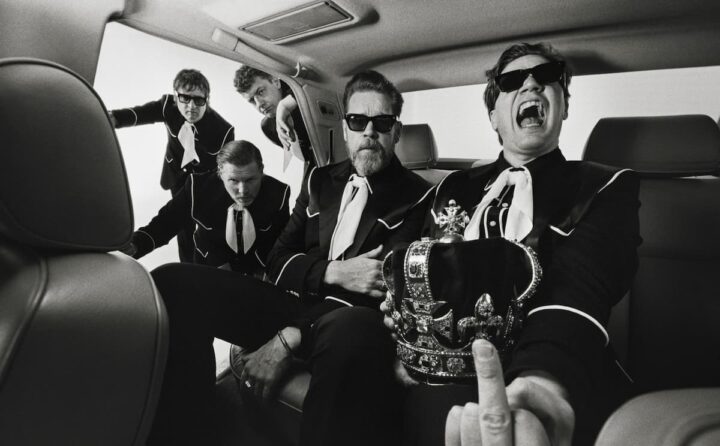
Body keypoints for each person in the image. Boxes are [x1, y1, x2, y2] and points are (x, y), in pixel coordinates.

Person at [146, 70, 432, 446]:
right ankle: (189, 431)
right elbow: (278, 258)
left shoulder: (421, 198)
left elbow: (377, 290)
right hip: (291, 304)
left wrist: (289, 337)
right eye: (357, 121)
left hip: (347, 324)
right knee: (172, 281)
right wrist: (332, 272)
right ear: (345, 129)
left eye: (381, 122)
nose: (369, 132)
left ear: (396, 131)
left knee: (349, 327)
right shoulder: (319, 181)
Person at [382, 42, 641, 446]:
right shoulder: (452, 187)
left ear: (564, 105)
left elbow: (583, 281)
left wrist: (542, 381)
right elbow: (418, 266)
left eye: (547, 76)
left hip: (551, 362)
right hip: (442, 365)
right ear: (493, 115)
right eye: (513, 81)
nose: (532, 84)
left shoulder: (605, 185)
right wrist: (403, 315)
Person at [110, 69, 235, 262]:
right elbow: (139, 114)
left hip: (204, 183)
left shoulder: (224, 130)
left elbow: (225, 168)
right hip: (176, 175)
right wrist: (112, 118)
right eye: (185, 98)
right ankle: (186, 266)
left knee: (204, 228)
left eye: (199, 100)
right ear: (176, 97)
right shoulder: (167, 106)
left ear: (207, 100)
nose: (191, 106)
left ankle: (205, 266)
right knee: (182, 226)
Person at [123, 140, 290, 276]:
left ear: (261, 171)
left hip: (258, 274)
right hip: (208, 268)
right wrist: (134, 246)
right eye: (233, 180)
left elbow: (282, 243)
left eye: (250, 180)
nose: (242, 190)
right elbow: (164, 224)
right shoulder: (197, 188)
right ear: (220, 173)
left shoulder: (280, 195)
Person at [233, 65, 316, 169]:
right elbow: (306, 157)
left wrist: (284, 106)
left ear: (275, 81)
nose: (259, 104)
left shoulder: (303, 87)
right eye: (252, 100)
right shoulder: (268, 127)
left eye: (261, 92)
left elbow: (316, 85)